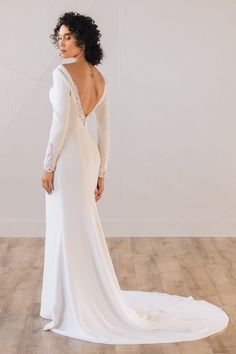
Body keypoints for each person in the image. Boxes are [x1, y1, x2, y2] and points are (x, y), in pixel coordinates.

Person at [40, 11, 229, 344]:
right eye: (60, 35)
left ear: (82, 41)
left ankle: (69, 303)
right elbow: (105, 129)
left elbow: (61, 124)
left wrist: (47, 164)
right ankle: (66, 299)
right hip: (87, 158)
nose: (61, 41)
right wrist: (101, 171)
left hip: (69, 158)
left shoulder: (61, 73)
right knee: (76, 224)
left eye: (68, 36)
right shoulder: (99, 78)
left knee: (66, 225)